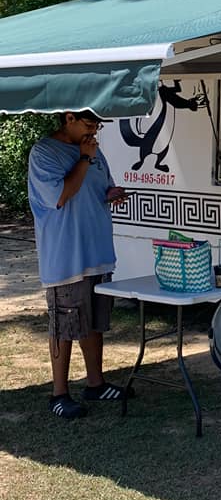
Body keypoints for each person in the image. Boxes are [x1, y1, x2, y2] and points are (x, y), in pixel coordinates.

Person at [27, 109, 128, 420]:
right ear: (68, 118)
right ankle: (59, 393)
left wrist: (112, 193)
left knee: (94, 322)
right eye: (89, 124)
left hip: (96, 251)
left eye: (97, 126)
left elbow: (99, 187)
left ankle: (95, 383)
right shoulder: (44, 152)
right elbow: (60, 195)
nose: (94, 131)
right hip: (65, 256)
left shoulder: (95, 151)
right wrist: (84, 158)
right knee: (64, 326)